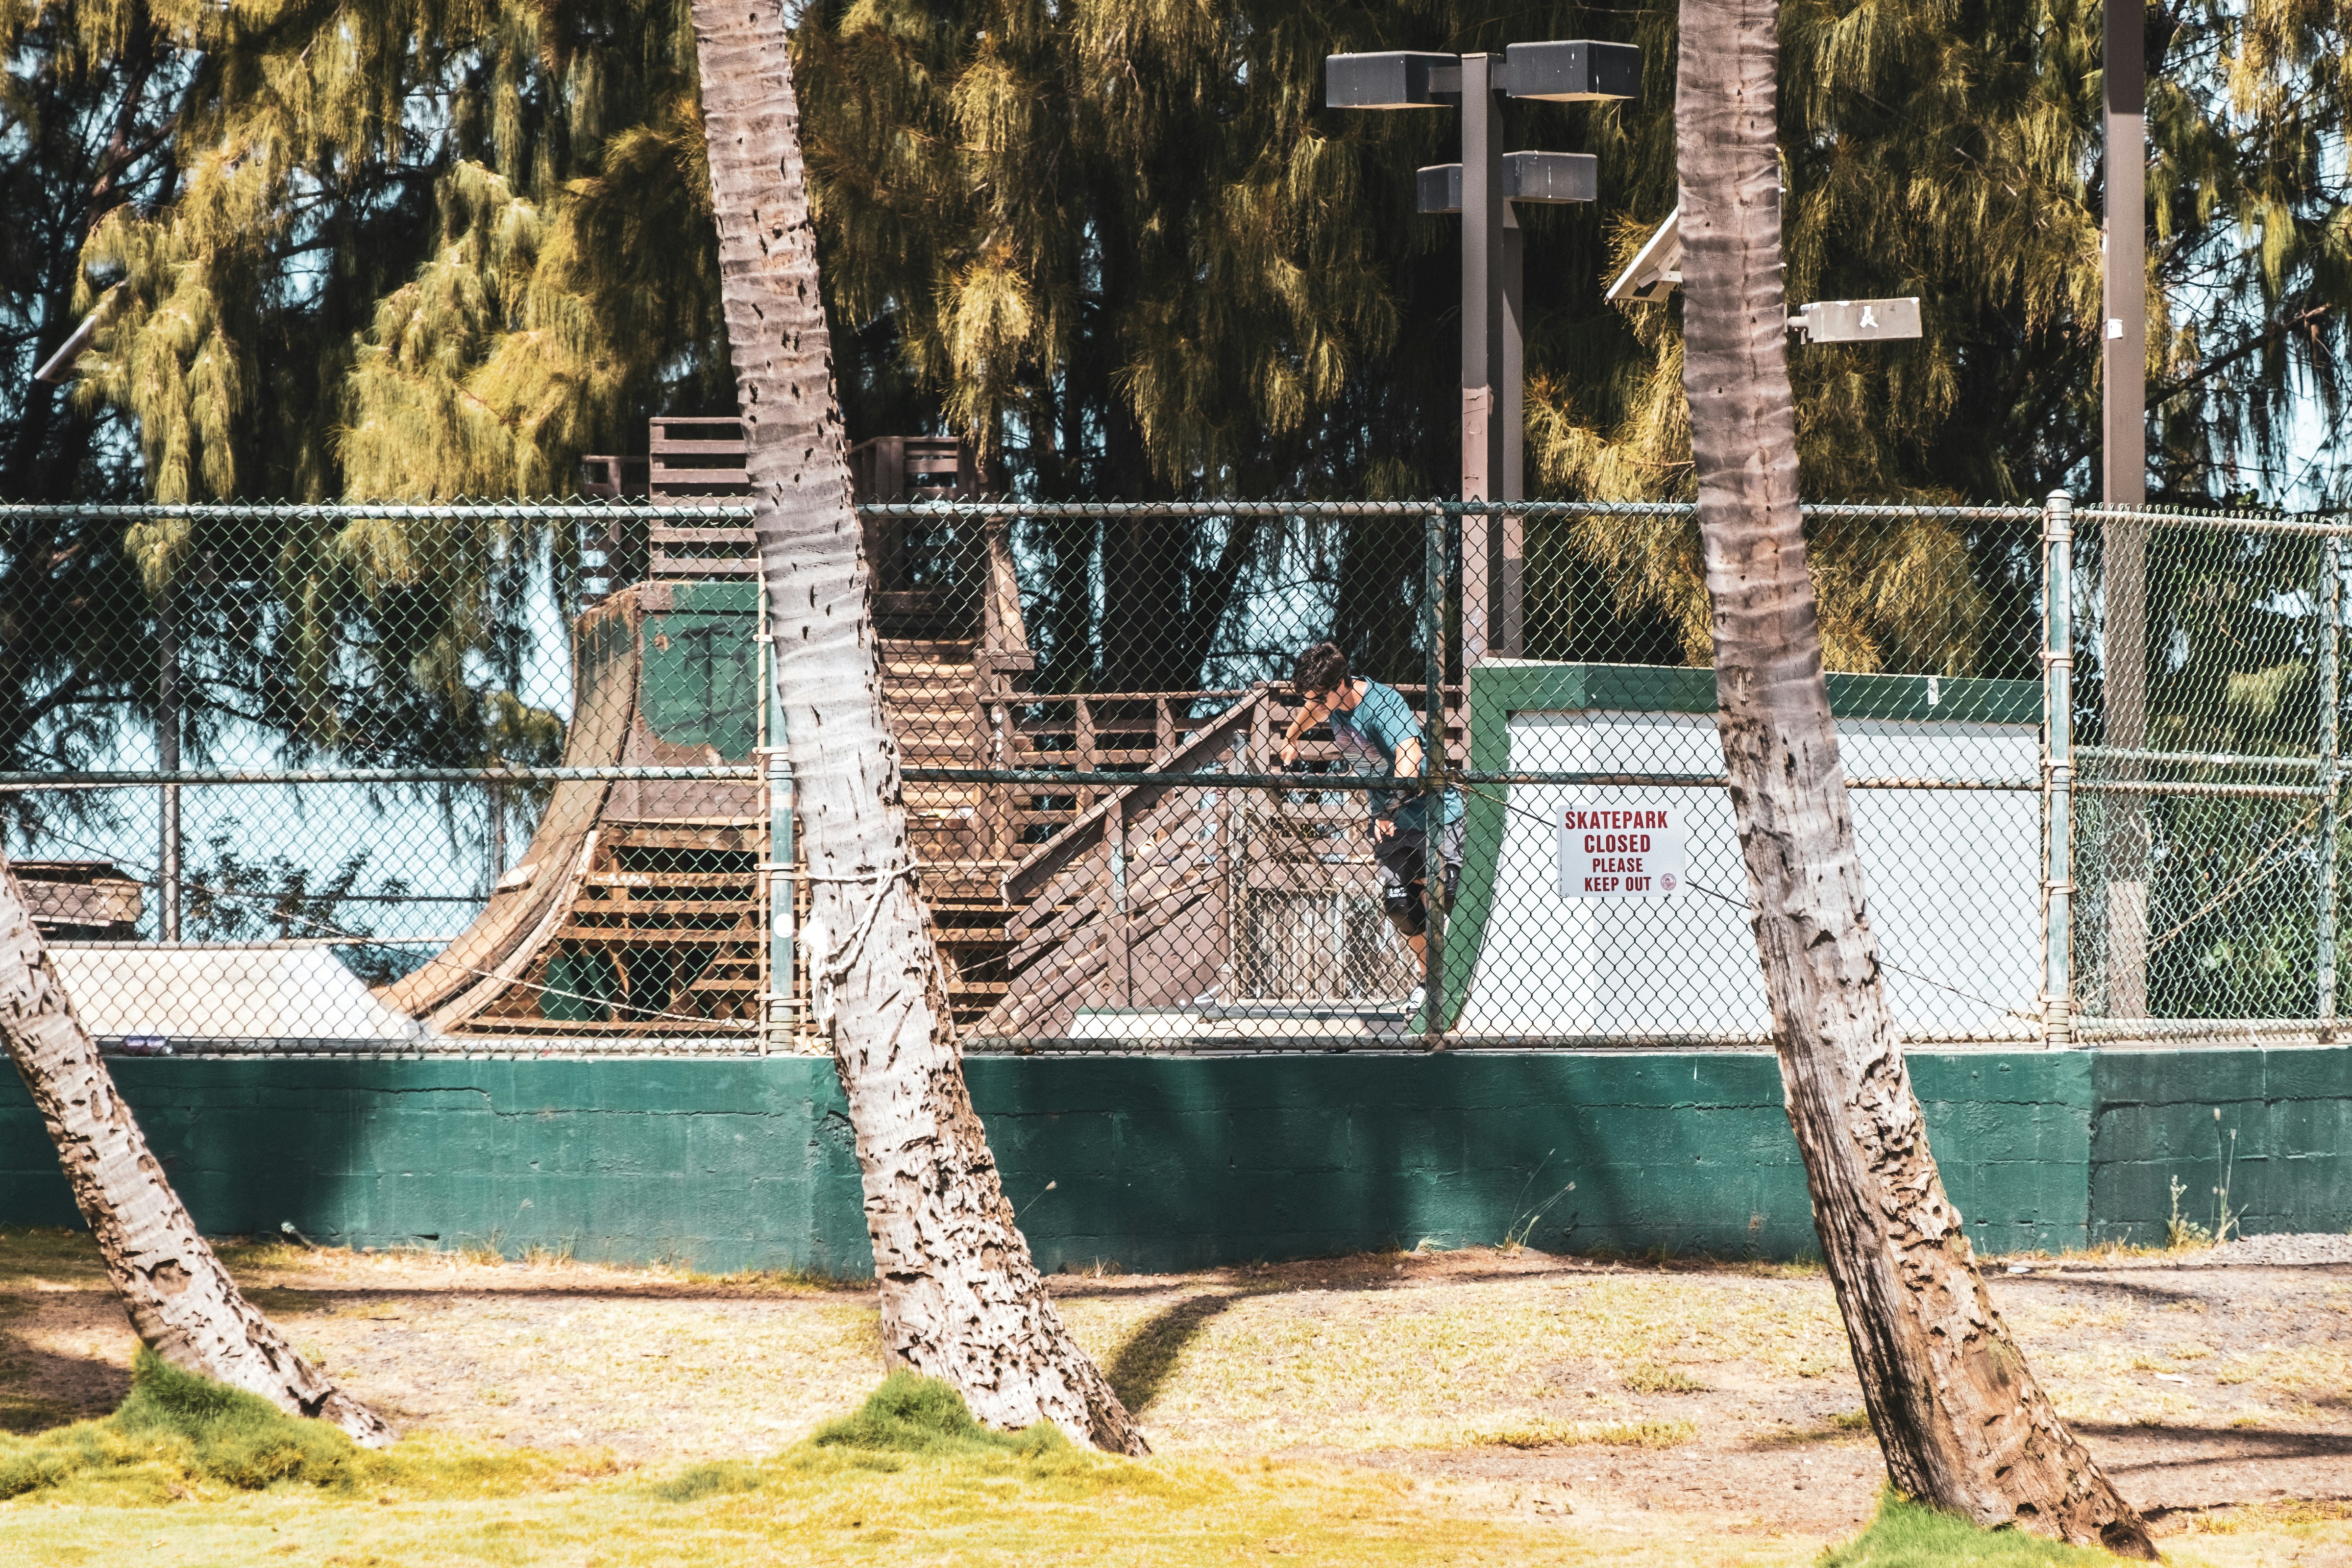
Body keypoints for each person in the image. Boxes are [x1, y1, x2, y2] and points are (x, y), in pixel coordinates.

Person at [1277, 641, 1463, 977]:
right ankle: (1432, 980)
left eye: (1320, 699)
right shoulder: (1326, 700)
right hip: (1389, 820)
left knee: (1450, 894)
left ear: (1343, 684)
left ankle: (1466, 976)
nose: (1316, 706)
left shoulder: (1383, 705)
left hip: (1434, 814)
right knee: (1401, 906)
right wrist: (1291, 737)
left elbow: (1410, 753)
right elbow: (1310, 710)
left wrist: (1390, 808)